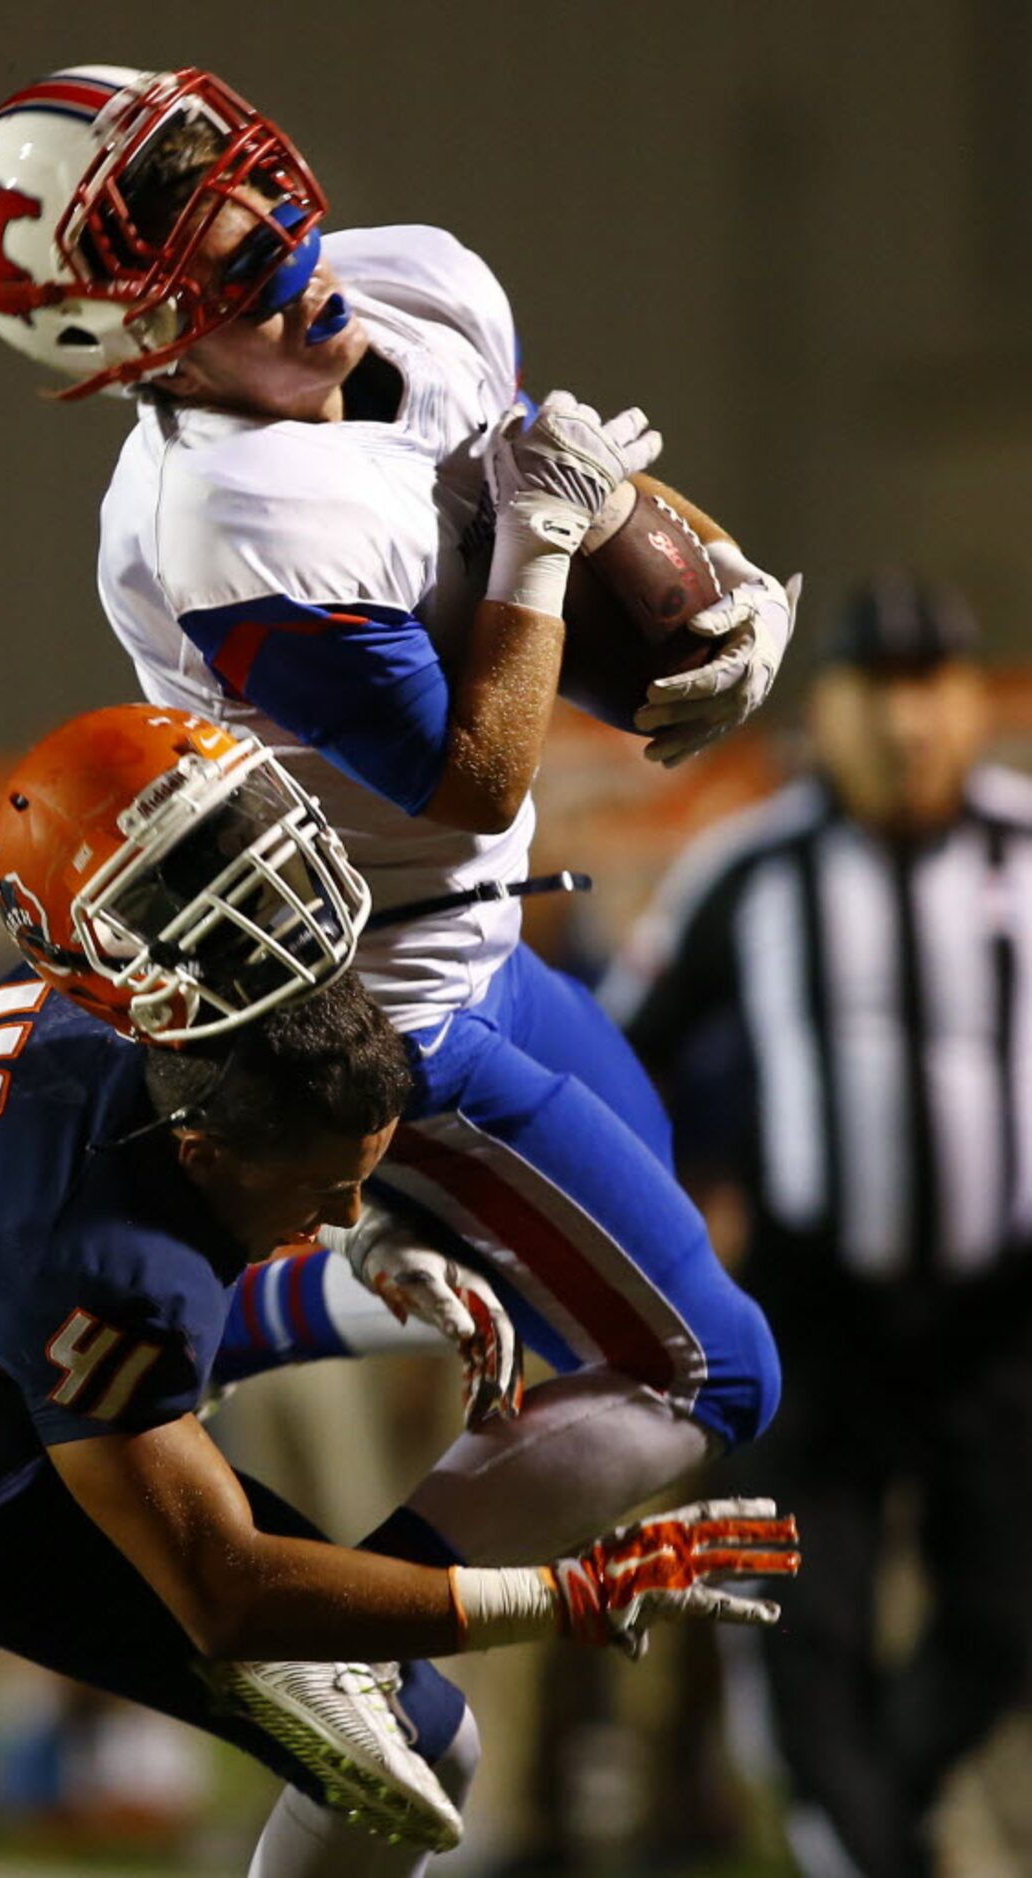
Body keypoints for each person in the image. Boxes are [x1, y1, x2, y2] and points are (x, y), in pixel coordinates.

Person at [0, 704, 798, 1877]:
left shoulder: (150, 1021)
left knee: (413, 1751)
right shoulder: (95, 1243)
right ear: (205, 1147)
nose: (339, 1217)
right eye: (324, 1195)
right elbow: (228, 1594)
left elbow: (182, 1284)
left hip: (15, 1444)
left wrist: (361, 1277)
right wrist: (557, 1595)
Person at [0, 65, 799, 1576]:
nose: (287, 262)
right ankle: (360, 1644)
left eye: (264, 212)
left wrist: (713, 585)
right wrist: (546, 545)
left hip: (480, 936)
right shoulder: (234, 511)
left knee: (614, 1238)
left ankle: (275, 1321)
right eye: (227, 276)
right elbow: (472, 772)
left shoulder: (413, 283)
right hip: (378, 994)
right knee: (705, 1370)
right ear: (132, 345)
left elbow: (565, 476)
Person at [600, 576, 1032, 1878]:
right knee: (799, 1619)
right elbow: (620, 1067)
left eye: (931, 688)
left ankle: (871, 1829)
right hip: (811, 1309)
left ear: (972, 703)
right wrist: (669, 1236)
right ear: (824, 709)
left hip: (1000, 1310)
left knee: (1004, 1619)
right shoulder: (751, 869)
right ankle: (863, 1850)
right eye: (877, 692)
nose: (907, 725)